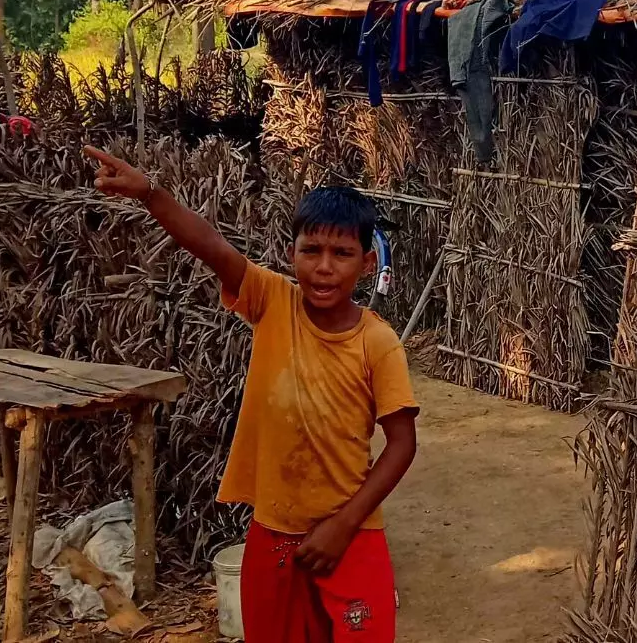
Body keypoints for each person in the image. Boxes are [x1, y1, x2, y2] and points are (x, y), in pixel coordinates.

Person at [85, 146, 419, 642]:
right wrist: (152, 195)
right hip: (275, 527)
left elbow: (402, 444)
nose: (325, 267)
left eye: (342, 253)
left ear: (367, 264)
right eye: (312, 251)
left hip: (350, 530)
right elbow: (211, 246)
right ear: (292, 254)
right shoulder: (272, 300)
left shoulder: (377, 341)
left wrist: (344, 524)